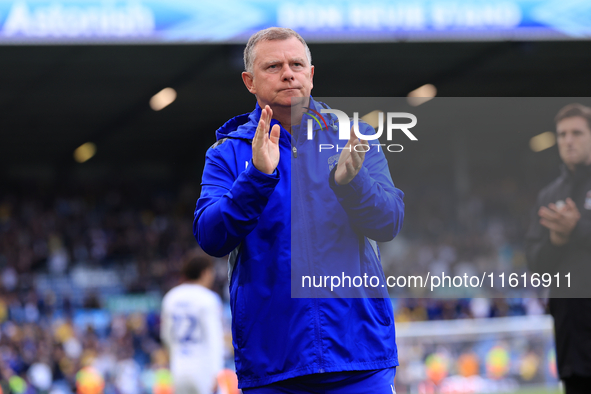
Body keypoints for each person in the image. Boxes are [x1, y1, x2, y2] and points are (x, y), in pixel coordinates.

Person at [193, 27, 405, 392]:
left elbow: (389, 222)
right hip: (273, 366)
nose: (288, 73)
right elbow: (211, 237)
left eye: (297, 64)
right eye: (273, 66)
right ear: (249, 81)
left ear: (311, 73)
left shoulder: (354, 136)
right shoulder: (226, 153)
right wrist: (257, 178)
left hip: (359, 360)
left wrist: (351, 183)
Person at [525, 103, 591, 394]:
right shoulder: (549, 195)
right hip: (571, 336)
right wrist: (556, 241)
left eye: (577, 132)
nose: (568, 140)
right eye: (562, 134)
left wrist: (577, 230)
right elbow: (534, 262)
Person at [160, 252, 224, 394]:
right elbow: (214, 339)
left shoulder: (171, 297)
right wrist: (216, 372)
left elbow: (166, 336)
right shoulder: (208, 299)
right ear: (205, 272)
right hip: (203, 368)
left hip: (179, 367)